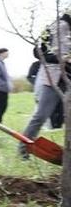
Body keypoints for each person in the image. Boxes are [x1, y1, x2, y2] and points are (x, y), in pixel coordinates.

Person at [21, 11, 71, 158]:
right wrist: (62, 58)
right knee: (41, 115)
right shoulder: (55, 27)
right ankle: (23, 150)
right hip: (53, 78)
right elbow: (38, 52)